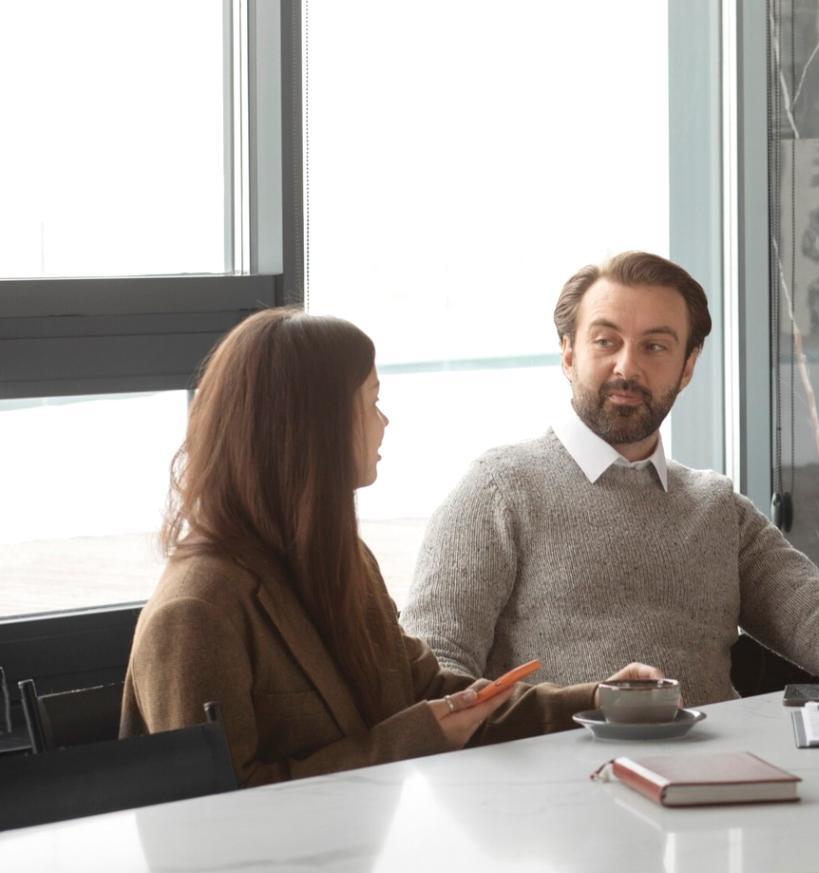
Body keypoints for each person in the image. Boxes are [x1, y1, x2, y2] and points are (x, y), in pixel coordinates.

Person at [402, 252, 819, 704]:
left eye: (655, 346)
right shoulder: (499, 489)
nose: (626, 366)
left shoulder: (714, 505)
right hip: (556, 805)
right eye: (605, 341)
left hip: (714, 795)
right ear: (567, 353)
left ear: (686, 369)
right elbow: (435, 673)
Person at [121, 308, 660, 787]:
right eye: (372, 401)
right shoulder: (196, 612)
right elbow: (213, 819)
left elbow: (429, 692)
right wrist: (414, 738)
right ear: (312, 428)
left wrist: (597, 701)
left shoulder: (342, 562)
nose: (384, 422)